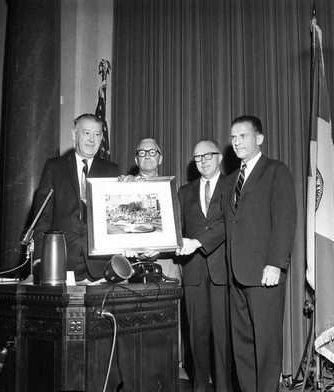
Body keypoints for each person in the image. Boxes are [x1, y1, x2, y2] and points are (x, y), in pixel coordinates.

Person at [222, 115, 296, 392]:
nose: (237, 141)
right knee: (242, 345)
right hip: (236, 274)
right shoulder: (231, 180)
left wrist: (275, 263)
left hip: (265, 273)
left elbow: (285, 220)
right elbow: (225, 224)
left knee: (266, 344)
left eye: (243, 136)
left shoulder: (276, 171)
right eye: (233, 137)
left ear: (259, 139)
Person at [32, 113, 119, 282]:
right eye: (86, 133)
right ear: (74, 134)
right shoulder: (54, 167)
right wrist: (39, 256)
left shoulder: (112, 170)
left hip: (100, 265)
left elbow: (114, 218)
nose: (92, 139)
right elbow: (43, 216)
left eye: (97, 134)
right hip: (62, 260)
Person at [176, 140, 233, 392]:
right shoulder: (184, 191)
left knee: (223, 337)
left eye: (208, 155)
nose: (203, 161)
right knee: (196, 337)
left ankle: (223, 387)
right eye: (197, 157)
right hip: (194, 272)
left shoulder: (232, 185)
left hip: (223, 271)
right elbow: (176, 228)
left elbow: (228, 224)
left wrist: (198, 241)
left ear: (219, 157)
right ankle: (200, 387)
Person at [123, 138, 182, 283]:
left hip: (166, 264)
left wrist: (164, 248)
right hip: (132, 265)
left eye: (152, 152)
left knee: (170, 304)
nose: (147, 156)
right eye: (142, 153)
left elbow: (181, 228)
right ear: (136, 160)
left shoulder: (173, 189)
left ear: (160, 158)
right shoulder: (123, 186)